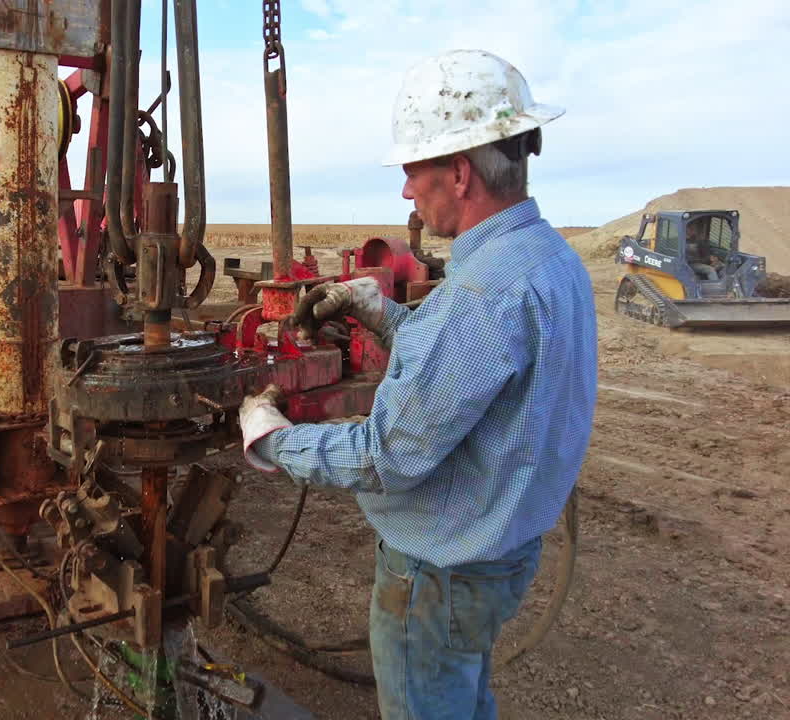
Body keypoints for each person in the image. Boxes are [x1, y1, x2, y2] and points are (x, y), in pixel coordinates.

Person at [239, 50, 597, 720]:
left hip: (440, 577)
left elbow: (385, 457)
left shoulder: (482, 295)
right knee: (461, 695)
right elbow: (477, 371)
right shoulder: (552, 260)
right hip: (502, 555)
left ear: (459, 173)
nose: (407, 192)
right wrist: (384, 312)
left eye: (414, 171)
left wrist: (271, 440)